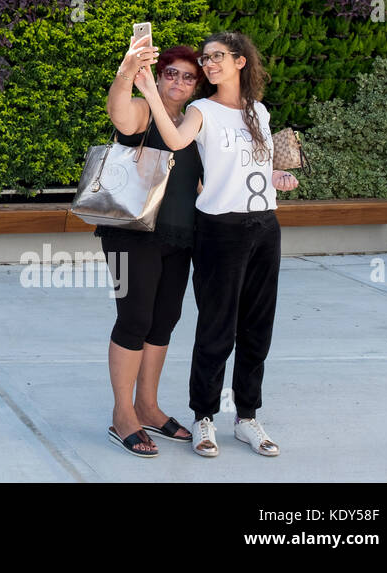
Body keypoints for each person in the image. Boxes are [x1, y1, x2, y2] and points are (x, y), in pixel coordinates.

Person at [134, 31, 299, 458]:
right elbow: (175, 141)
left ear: (241, 61)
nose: (208, 64)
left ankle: (247, 418)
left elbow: (252, 167)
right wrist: (151, 90)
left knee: (257, 329)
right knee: (216, 330)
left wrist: (277, 177)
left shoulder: (258, 112)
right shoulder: (200, 109)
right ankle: (204, 417)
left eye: (217, 57)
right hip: (219, 230)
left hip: (265, 226)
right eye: (206, 58)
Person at [101, 37, 204, 457]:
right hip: (131, 233)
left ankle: (148, 405)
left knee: (164, 320)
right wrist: (128, 72)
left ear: (196, 85)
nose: (178, 81)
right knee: (135, 318)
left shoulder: (195, 122)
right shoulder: (145, 110)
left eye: (188, 77)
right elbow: (119, 115)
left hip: (180, 234)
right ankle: (122, 414)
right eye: (171, 73)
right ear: (159, 76)